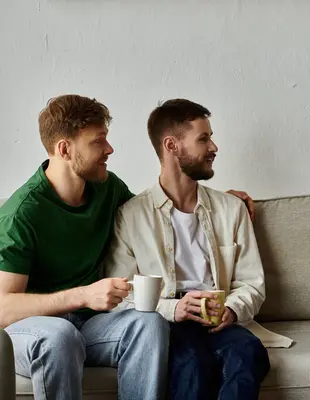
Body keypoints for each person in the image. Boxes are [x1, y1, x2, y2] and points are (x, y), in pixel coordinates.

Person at [0, 94, 170, 400]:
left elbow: (154, 212)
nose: (109, 149)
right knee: (60, 335)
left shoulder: (107, 187)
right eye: (98, 141)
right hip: (32, 331)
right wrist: (83, 295)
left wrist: (220, 200)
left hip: (90, 326)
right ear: (65, 149)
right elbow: (4, 308)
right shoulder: (21, 214)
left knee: (149, 323)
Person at [103, 99, 270, 400]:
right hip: (168, 323)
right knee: (191, 365)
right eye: (203, 138)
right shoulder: (130, 216)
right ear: (172, 146)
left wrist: (232, 309)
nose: (214, 147)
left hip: (219, 321)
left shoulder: (232, 209)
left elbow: (252, 283)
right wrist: (173, 309)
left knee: (249, 352)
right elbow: (122, 294)